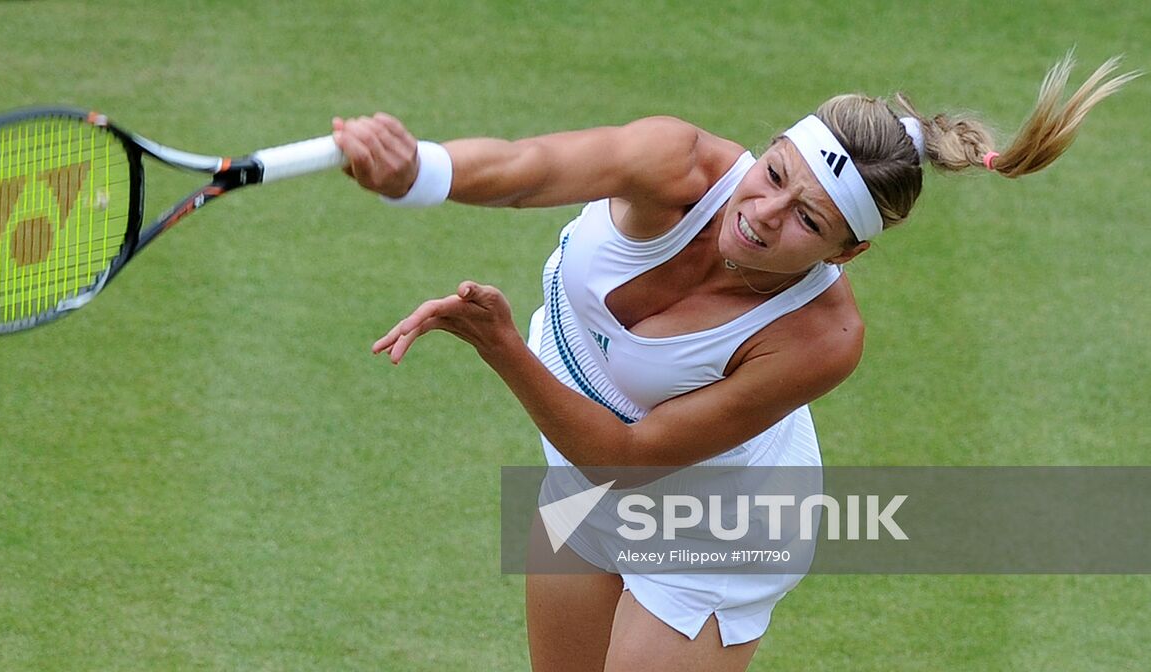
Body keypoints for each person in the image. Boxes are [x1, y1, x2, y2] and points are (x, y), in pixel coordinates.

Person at [331, 54, 1137, 672]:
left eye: (806, 220)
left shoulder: (822, 338)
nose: (762, 214)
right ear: (772, 147)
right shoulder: (677, 164)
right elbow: (528, 169)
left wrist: (503, 347)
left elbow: (628, 461)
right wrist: (417, 173)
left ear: (845, 252)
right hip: (580, 475)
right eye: (774, 174)